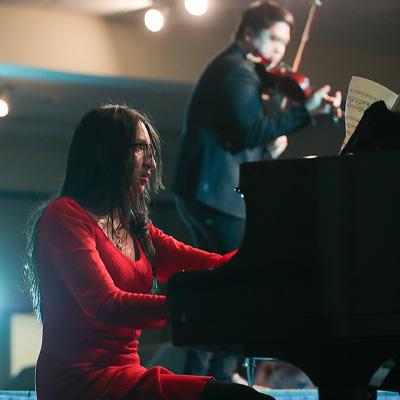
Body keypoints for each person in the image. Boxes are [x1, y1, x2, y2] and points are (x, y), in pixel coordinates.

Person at [24, 104, 276, 400]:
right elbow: (108, 304)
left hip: (128, 377)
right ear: (104, 154)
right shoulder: (64, 217)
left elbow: (210, 266)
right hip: (80, 383)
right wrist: (190, 307)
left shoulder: (133, 225)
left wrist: (264, 256)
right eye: (140, 149)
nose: (152, 164)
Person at [171, 0, 342, 382]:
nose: (280, 50)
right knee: (239, 284)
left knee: (222, 286)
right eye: (274, 39)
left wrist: (272, 141)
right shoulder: (237, 71)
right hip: (215, 193)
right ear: (249, 34)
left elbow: (243, 136)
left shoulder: (243, 70)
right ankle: (218, 375)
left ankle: (210, 376)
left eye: (285, 42)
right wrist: (303, 114)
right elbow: (248, 132)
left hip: (207, 191)